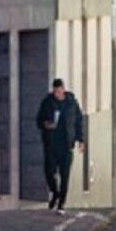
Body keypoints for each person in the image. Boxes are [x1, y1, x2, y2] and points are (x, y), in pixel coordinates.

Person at [36, 79, 85, 215]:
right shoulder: (47, 103)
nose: (57, 94)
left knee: (65, 175)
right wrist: (46, 124)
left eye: (59, 91)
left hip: (66, 144)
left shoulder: (71, 103)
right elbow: (39, 120)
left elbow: (79, 121)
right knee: (49, 172)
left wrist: (81, 140)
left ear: (63, 89)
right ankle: (55, 193)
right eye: (55, 91)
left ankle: (61, 203)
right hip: (51, 144)